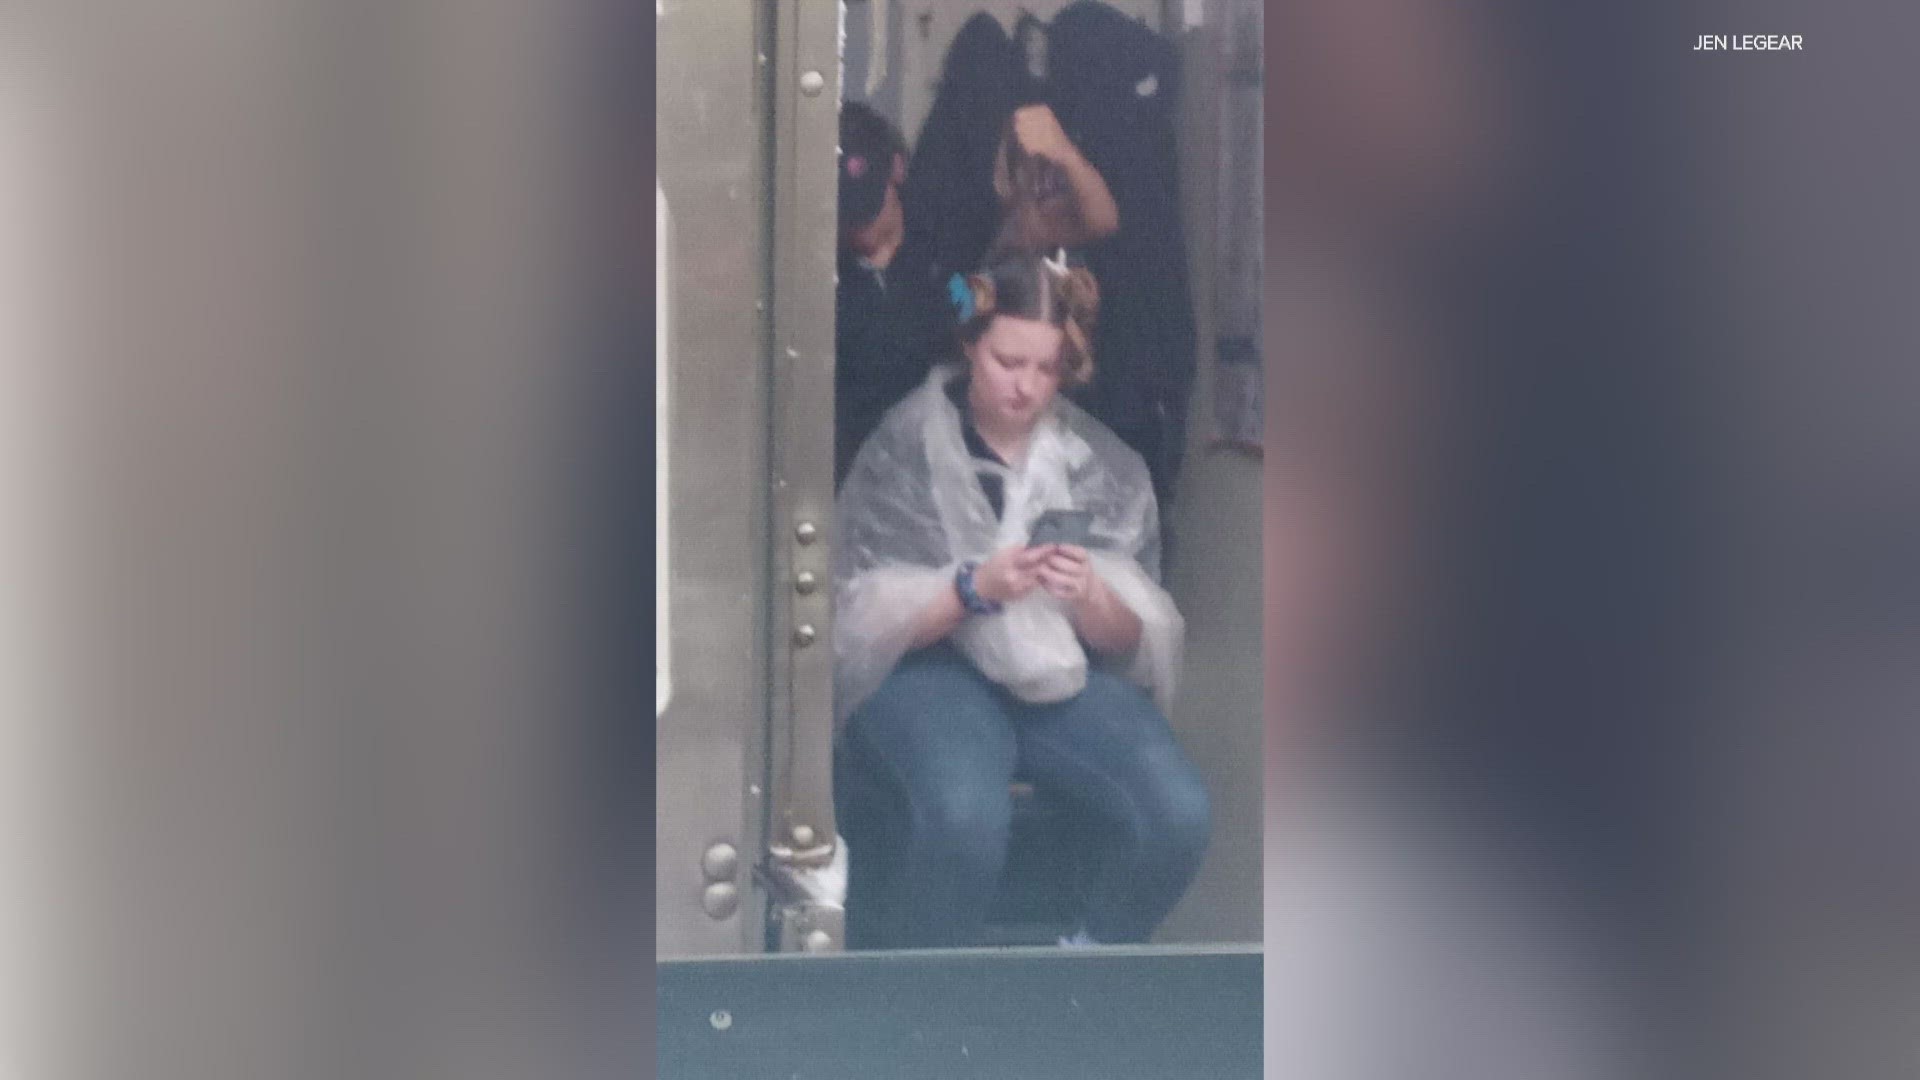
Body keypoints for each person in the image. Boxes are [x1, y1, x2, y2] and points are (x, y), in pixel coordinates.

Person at [830, 253, 1210, 951]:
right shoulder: (904, 448)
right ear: (970, 345)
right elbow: (854, 619)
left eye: (1046, 369)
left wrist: (1089, 592)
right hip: (929, 669)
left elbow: (1134, 635)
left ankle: (1087, 968)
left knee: (1177, 812)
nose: (1025, 386)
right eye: (1008, 362)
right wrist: (971, 589)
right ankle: (927, 1004)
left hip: (1055, 673)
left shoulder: (1101, 463)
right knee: (962, 819)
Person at [835, 101, 957, 488]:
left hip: (942, 469)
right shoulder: (819, 280)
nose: (856, 227)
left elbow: (968, 308)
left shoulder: (945, 250)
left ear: (897, 169)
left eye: (867, 207)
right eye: (843, 213)